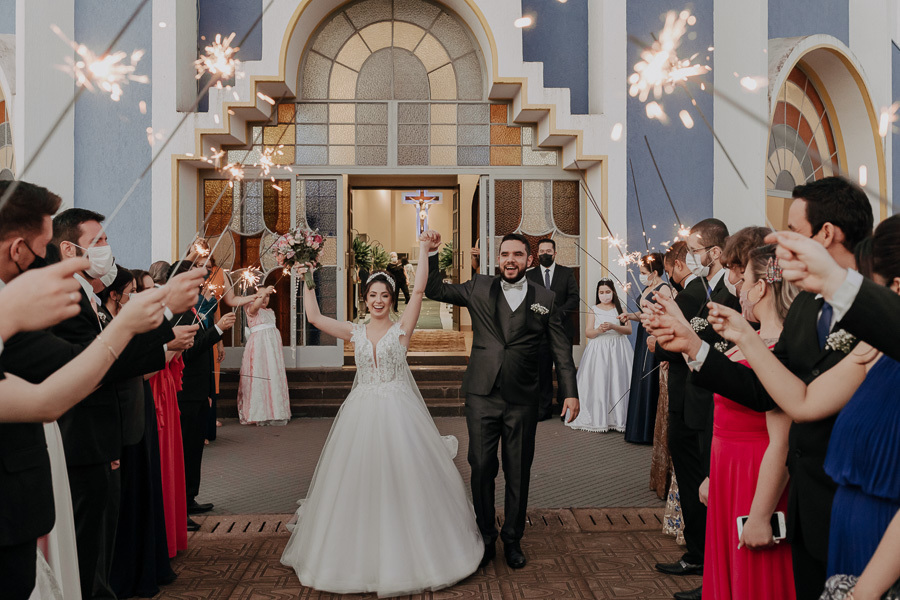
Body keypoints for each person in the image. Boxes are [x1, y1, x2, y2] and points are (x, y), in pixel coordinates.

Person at [682, 177, 874, 600]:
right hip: (804, 503)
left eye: (793, 232)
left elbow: (805, 406)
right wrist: (699, 350)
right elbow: (768, 390)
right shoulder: (806, 304)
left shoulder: (871, 308)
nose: (782, 244)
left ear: (826, 234)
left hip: (856, 496)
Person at [280, 235, 483, 596]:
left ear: (392, 300)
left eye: (384, 296)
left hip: (398, 413)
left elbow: (419, 292)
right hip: (360, 413)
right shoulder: (354, 331)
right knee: (359, 480)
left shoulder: (401, 329)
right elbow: (314, 317)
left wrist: (423, 250)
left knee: (404, 480)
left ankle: (417, 554)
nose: (377, 301)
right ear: (365, 299)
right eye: (372, 295)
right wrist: (307, 276)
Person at [708, 216, 900, 583]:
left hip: (882, 536)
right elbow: (803, 403)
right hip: (839, 522)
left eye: (865, 283)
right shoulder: (868, 349)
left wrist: (833, 280)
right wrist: (744, 337)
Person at [424, 231, 579, 570]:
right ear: (498, 259)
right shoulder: (478, 287)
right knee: (480, 466)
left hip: (524, 397)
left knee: (518, 470)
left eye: (518, 254)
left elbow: (560, 348)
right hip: (482, 394)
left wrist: (569, 391)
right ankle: (485, 535)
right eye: (505, 254)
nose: (511, 259)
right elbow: (435, 290)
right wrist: (433, 254)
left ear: (529, 260)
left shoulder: (545, 297)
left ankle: (512, 538)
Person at [652, 245, 799, 599]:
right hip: (727, 466)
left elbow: (780, 437)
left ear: (762, 287)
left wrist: (761, 514)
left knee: (755, 573)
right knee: (727, 569)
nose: (738, 289)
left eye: (745, 280)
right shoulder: (753, 336)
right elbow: (721, 380)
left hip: (755, 469)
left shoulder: (781, 347)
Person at [652, 219, 739, 600]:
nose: (691, 257)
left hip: (708, 401)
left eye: (696, 251)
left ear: (714, 253)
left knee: (708, 485)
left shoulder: (726, 293)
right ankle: (701, 556)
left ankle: (710, 566)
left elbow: (705, 342)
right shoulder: (699, 289)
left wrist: (673, 327)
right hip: (691, 398)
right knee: (693, 481)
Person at [171, 260, 237, 523]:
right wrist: (219, 329)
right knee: (185, 451)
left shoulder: (193, 309)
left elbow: (205, 360)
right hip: (185, 392)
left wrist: (209, 390)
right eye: (194, 279)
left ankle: (190, 497)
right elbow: (190, 350)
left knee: (195, 449)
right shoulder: (179, 314)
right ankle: (181, 505)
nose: (200, 284)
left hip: (198, 390)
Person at [566, 279, 632, 432]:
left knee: (618, 379)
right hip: (599, 349)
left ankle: (619, 417)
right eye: (601, 292)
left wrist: (614, 326)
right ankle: (599, 417)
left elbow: (629, 330)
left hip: (618, 347)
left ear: (613, 292)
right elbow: (588, 332)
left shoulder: (620, 308)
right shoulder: (594, 309)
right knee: (599, 380)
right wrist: (599, 330)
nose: (604, 295)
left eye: (607, 292)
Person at [620, 252, 672, 443]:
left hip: (653, 335)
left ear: (654, 272)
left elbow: (666, 315)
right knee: (640, 378)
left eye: (643, 272)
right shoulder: (649, 287)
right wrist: (629, 316)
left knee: (649, 378)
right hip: (644, 335)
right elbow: (644, 314)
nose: (640, 275)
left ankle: (649, 431)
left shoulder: (664, 289)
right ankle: (638, 429)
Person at [525, 238, 579, 421]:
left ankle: (566, 408)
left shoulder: (566, 273)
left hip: (562, 329)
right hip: (538, 333)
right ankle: (544, 409)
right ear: (537, 254)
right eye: (542, 251)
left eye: (549, 251)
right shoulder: (529, 275)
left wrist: (558, 314)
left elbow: (574, 297)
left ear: (555, 253)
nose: (545, 254)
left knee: (564, 369)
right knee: (542, 371)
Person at [237, 285, 291, 426]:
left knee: (272, 374)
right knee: (259, 374)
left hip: (271, 350)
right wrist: (262, 294)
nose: (265, 298)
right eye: (261, 295)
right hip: (259, 348)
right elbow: (255, 307)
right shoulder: (251, 309)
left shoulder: (270, 312)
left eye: (267, 296)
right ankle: (259, 412)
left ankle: (275, 411)